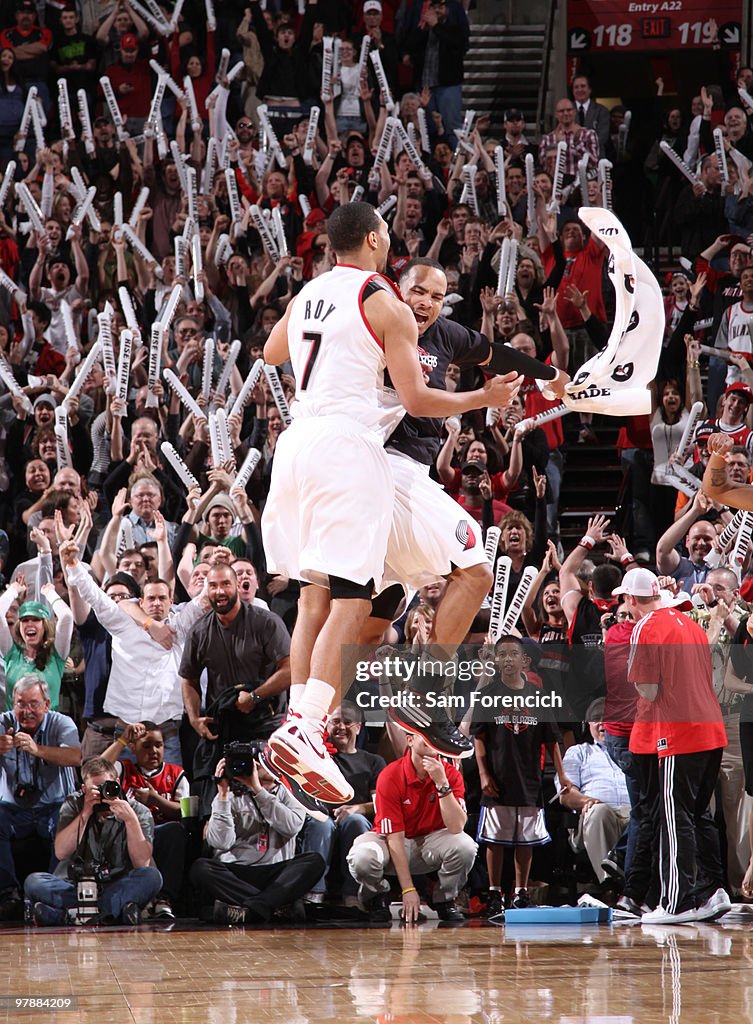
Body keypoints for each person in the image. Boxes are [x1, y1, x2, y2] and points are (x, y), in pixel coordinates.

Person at [261, 202, 522, 803]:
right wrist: (481, 397)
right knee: (356, 598)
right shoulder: (383, 301)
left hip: (295, 445)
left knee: (320, 599)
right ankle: (317, 725)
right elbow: (418, 397)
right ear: (378, 241)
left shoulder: (310, 292)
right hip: (352, 450)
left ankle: (301, 722)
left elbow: (274, 353)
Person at [617, 568, 730, 924]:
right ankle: (713, 891)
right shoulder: (691, 625)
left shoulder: (645, 627)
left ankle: (679, 901)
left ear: (632, 600)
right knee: (699, 816)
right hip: (711, 731)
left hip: (678, 736)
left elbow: (647, 689)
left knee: (673, 816)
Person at [463, 636, 569, 916]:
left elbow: (552, 741)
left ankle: (521, 893)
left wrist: (563, 777)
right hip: (498, 778)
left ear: (525, 661)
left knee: (526, 839)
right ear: (496, 661)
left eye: (514, 654)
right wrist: (484, 773)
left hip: (530, 779)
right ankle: (495, 892)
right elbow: (479, 737)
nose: (508, 659)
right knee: (495, 840)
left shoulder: (539, 697)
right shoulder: (488, 695)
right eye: (502, 655)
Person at [347, 732, 477, 923]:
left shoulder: (450, 774)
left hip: (431, 840)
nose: (432, 739)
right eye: (424, 735)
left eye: (434, 735)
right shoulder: (391, 774)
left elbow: (457, 826)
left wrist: (442, 784)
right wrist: (408, 890)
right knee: (362, 857)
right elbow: (395, 837)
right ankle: (377, 896)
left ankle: (444, 899)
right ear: (409, 740)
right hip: (392, 841)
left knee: (466, 847)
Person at [189, 751, 324, 925]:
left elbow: (291, 827)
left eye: (267, 760)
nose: (261, 764)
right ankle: (274, 907)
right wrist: (222, 794)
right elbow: (221, 843)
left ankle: (247, 909)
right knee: (201, 868)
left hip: (277, 873)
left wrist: (258, 791)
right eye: (257, 760)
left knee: (314, 861)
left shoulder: (291, 792)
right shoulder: (230, 793)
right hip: (237, 872)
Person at [25, 756, 162, 926]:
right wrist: (86, 811)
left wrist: (130, 820)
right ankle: (112, 912)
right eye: (96, 789)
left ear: (117, 783)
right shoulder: (74, 804)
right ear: (84, 788)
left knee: (152, 877)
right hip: (77, 887)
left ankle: (68, 915)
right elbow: (61, 852)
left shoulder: (138, 811)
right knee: (34, 882)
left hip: (118, 885)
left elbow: (142, 862)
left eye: (107, 786)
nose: (103, 794)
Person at [0, 676, 80, 919]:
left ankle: (52, 892)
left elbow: (76, 756)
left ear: (47, 704)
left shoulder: (62, 723)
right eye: (20, 704)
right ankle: (8, 894)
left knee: (67, 817)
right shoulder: (3, 723)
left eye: (34, 704)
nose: (27, 711)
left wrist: (37, 749)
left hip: (54, 806)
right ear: (11, 704)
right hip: (15, 811)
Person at [296, 701, 386, 906]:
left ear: (359, 726)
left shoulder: (374, 761)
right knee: (322, 823)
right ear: (326, 726)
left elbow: (381, 803)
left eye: (348, 722)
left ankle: (353, 897)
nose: (341, 727)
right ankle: (312, 895)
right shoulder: (316, 758)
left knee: (355, 821)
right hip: (321, 818)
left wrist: (359, 808)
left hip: (355, 822)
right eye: (335, 721)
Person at [100, 721, 189, 919]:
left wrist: (154, 799)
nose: (154, 751)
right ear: (133, 748)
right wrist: (123, 739)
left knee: (175, 830)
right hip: (130, 837)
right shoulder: (124, 769)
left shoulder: (176, 774)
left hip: (160, 834)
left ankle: (164, 899)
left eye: (159, 745)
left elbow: (185, 811)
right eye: (146, 746)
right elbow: (98, 769)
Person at [556, 699, 631, 886]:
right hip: (596, 817)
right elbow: (565, 794)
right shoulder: (579, 752)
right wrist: (586, 800)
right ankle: (612, 886)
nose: (602, 723)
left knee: (651, 815)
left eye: (609, 718)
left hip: (633, 816)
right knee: (600, 811)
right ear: (588, 725)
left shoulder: (632, 751)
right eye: (596, 719)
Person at [0, 579, 73, 711]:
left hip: (48, 729)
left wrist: (50, 593)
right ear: (19, 626)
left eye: (35, 620)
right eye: (25, 620)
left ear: (44, 626)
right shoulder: (12, 653)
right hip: (15, 728)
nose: (29, 624)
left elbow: (67, 616)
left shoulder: (56, 655)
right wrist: (13, 590)